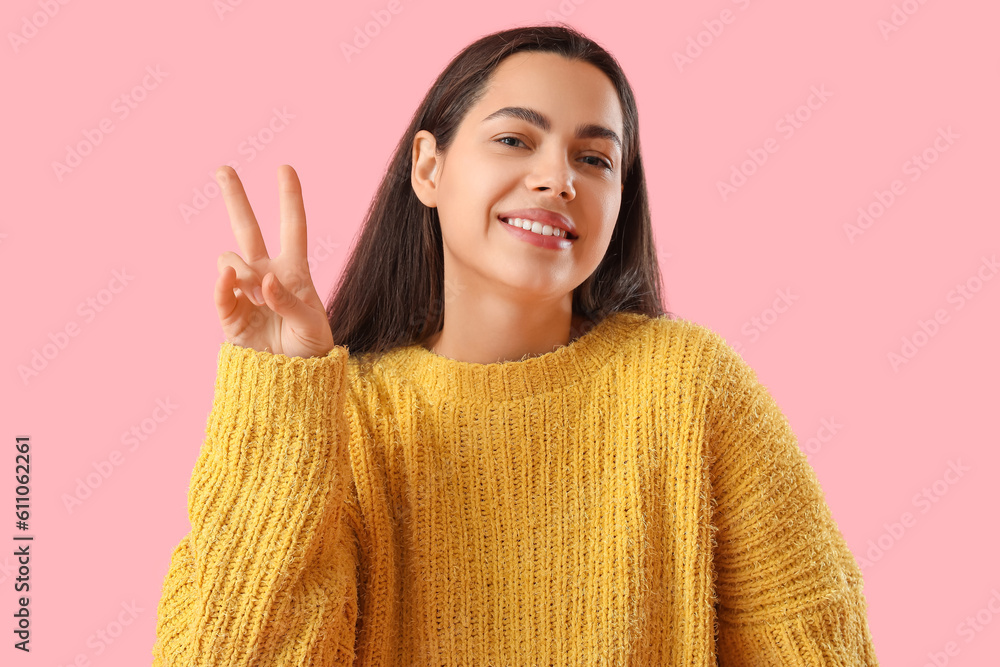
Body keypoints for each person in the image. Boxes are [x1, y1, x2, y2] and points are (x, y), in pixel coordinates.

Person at [151, 24, 879, 665]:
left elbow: (818, 645)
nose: (557, 178)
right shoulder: (340, 423)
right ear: (428, 168)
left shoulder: (693, 388)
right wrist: (283, 401)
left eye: (595, 160)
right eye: (514, 139)